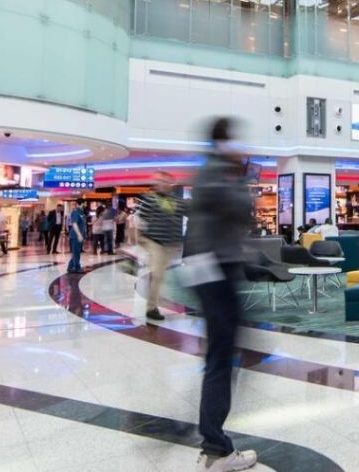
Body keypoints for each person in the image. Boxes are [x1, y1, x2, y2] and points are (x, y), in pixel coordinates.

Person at [184, 117, 258, 471]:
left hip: (206, 268)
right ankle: (215, 448)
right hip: (217, 271)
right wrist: (242, 175)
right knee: (221, 358)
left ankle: (212, 441)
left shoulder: (206, 171)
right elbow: (242, 211)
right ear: (225, 141)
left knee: (220, 354)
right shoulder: (220, 172)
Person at [136, 171, 185, 322]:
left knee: (160, 275)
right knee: (158, 274)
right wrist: (138, 237)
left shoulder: (176, 201)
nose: (160, 184)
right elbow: (140, 219)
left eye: (164, 181)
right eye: (158, 181)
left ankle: (153, 300)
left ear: (170, 183)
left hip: (168, 244)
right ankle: (151, 308)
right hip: (153, 241)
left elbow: (180, 217)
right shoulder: (150, 199)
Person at [66, 202, 86, 274]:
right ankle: (77, 268)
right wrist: (79, 235)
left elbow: (82, 225)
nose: (84, 205)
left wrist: (83, 235)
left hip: (79, 235)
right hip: (75, 236)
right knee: (76, 252)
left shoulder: (81, 213)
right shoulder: (75, 212)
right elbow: (74, 224)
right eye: (83, 204)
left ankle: (70, 267)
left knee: (76, 252)